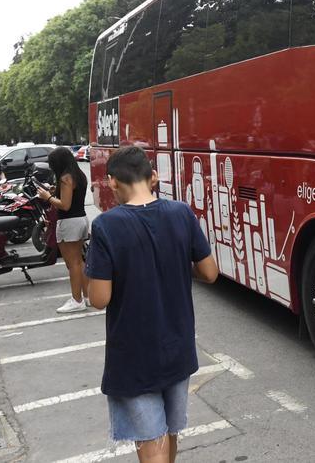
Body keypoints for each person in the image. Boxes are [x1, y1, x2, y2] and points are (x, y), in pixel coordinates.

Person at [87, 146, 218, 463]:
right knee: (169, 434)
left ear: (113, 183)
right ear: (154, 176)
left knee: (150, 441)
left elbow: (99, 298)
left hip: (134, 356)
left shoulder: (107, 226)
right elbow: (210, 273)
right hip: (178, 347)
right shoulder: (181, 213)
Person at [37, 147, 91, 313]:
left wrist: (48, 197)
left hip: (69, 223)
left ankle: (76, 300)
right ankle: (86, 296)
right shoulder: (78, 175)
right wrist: (55, 192)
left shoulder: (65, 178)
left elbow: (65, 205)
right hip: (81, 219)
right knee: (79, 261)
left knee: (72, 263)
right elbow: (72, 199)